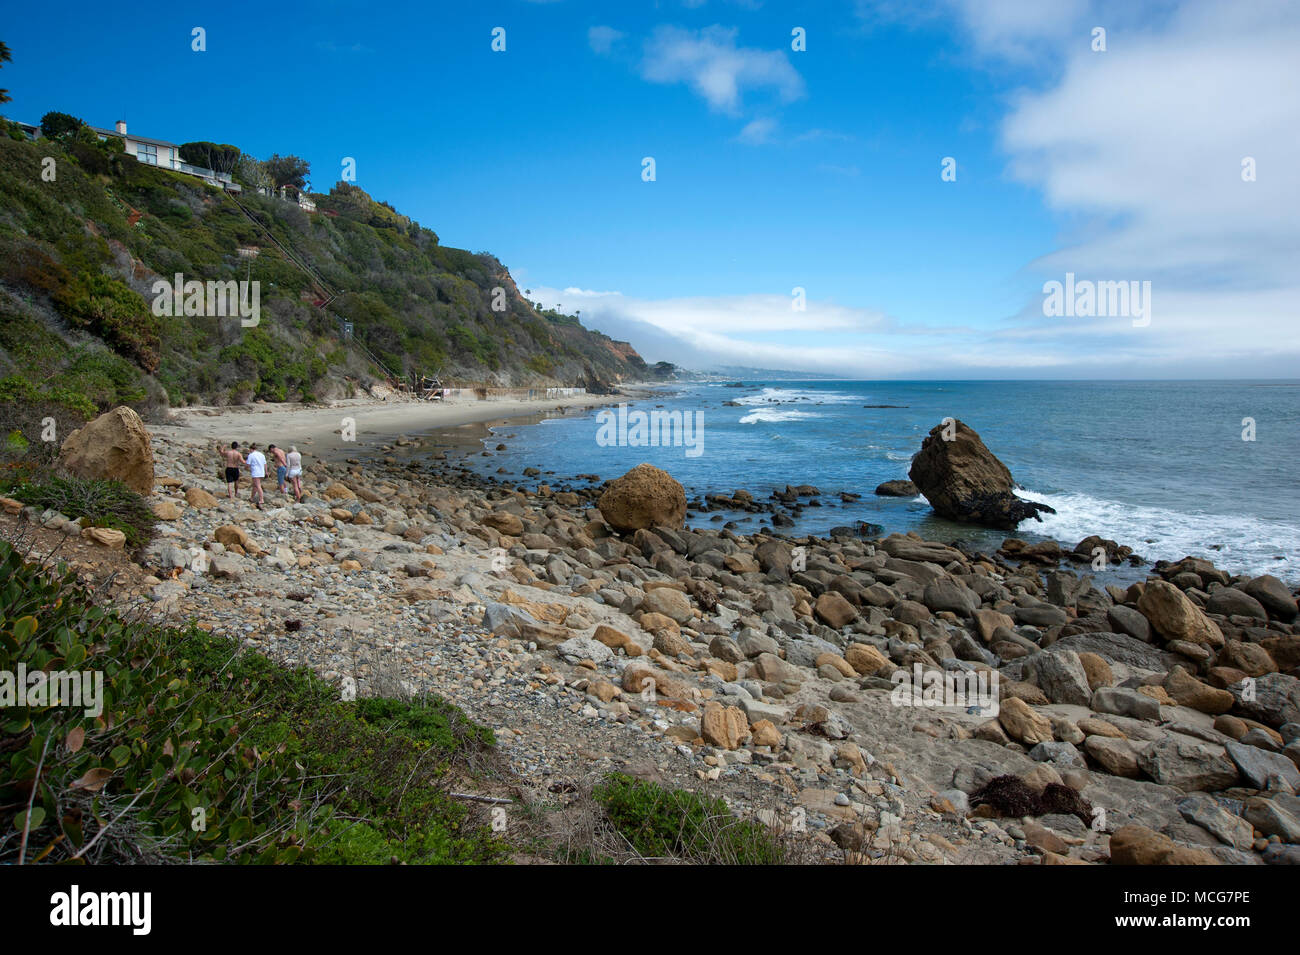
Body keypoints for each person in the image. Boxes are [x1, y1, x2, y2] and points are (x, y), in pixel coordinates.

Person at [246, 443, 267, 509]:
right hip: (261, 471)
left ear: (251, 449)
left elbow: (248, 464)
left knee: (258, 485)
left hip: (255, 472)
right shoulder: (261, 455)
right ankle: (252, 497)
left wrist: (246, 468)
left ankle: (261, 499)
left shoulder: (251, 455)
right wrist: (266, 472)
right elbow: (265, 464)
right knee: (255, 485)